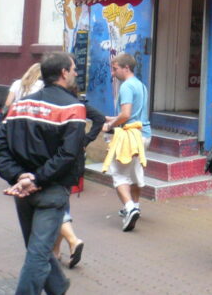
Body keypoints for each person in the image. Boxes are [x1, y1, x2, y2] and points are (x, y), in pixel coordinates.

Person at [0, 52, 85, 295]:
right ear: (64, 72)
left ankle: (58, 286)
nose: (76, 72)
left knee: (36, 249)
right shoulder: (74, 107)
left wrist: (19, 176)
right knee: (38, 253)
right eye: (73, 68)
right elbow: (68, 154)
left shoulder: (20, 105)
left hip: (23, 190)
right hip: (50, 189)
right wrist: (35, 178)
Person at [101, 52, 151, 231]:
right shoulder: (141, 86)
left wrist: (110, 125)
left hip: (129, 136)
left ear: (126, 68)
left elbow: (127, 115)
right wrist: (112, 118)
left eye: (115, 69)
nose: (113, 74)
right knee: (136, 173)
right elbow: (134, 114)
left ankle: (129, 208)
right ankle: (135, 206)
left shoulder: (126, 87)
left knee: (119, 174)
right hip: (144, 134)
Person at [54, 91, 104, 269]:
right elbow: (99, 118)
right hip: (74, 160)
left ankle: (73, 241)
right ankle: (56, 251)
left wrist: (86, 139)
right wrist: (85, 140)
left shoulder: (60, 103)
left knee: (57, 205)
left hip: (57, 160)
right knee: (62, 200)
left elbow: (99, 118)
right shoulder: (77, 104)